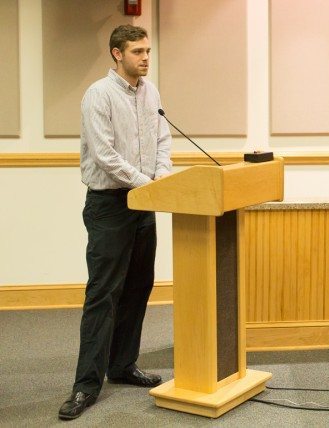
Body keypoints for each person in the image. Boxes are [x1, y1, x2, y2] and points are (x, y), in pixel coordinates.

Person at [59, 25, 172, 420]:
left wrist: (159, 177)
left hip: (144, 204)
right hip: (109, 205)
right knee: (103, 294)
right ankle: (85, 386)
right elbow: (105, 155)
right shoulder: (98, 95)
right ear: (116, 54)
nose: (145, 58)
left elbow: (162, 139)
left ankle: (122, 366)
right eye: (138, 51)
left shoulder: (151, 91)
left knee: (139, 286)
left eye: (148, 51)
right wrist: (147, 185)